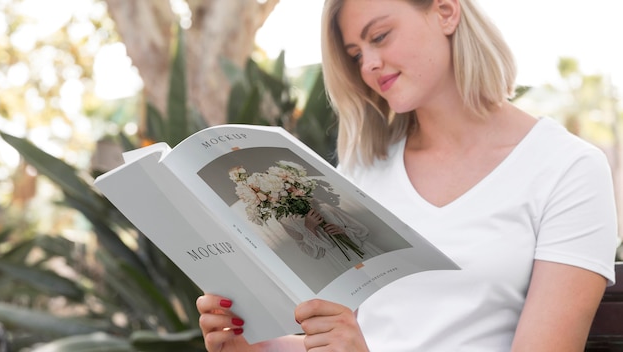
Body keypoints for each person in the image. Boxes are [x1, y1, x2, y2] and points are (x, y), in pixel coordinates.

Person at [196, 0, 619, 351]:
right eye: (357, 54)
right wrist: (253, 346)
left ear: (447, 11)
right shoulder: (364, 170)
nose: (370, 65)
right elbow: (352, 337)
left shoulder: (567, 168)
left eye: (379, 36)